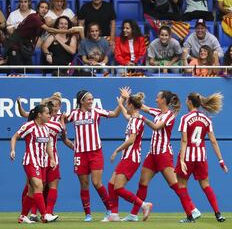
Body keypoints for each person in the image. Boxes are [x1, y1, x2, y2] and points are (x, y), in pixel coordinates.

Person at [122, 90, 200, 222]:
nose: (156, 99)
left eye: (158, 97)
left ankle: (191, 211)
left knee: (174, 184)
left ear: (164, 100)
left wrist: (142, 118)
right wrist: (128, 97)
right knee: (142, 183)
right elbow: (142, 107)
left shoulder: (169, 115)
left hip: (163, 154)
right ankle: (133, 214)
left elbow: (157, 127)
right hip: (152, 154)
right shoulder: (157, 112)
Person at [65, 89, 125, 222]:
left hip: (95, 152)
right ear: (81, 101)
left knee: (97, 182)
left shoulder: (96, 111)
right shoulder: (74, 114)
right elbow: (61, 121)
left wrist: (122, 101)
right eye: (89, 99)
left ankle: (110, 210)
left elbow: (115, 114)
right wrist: (65, 138)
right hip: (80, 153)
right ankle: (88, 214)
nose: (91, 101)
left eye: (92, 99)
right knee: (84, 184)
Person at [17, 92, 74, 221]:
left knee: (48, 186)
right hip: (36, 157)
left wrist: (75, 146)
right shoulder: (40, 117)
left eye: (58, 104)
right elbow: (25, 114)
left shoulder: (60, 119)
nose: (55, 107)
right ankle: (32, 214)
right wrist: (19, 105)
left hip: (51, 156)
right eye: (53, 104)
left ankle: (47, 213)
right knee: (33, 186)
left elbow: (65, 137)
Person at [176, 92, 228, 223]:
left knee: (182, 185)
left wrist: (182, 160)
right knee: (206, 185)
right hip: (201, 157)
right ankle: (218, 214)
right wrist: (221, 161)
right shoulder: (207, 119)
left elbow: (184, 141)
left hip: (188, 157)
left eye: (186, 100)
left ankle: (190, 217)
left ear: (189, 102)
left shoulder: (185, 118)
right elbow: (213, 141)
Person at [10, 104, 59, 224]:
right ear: (39, 115)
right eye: (47, 113)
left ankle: (23, 216)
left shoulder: (46, 128)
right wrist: (13, 150)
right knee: (39, 187)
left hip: (42, 162)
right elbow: (15, 136)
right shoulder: (29, 126)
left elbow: (48, 145)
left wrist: (52, 159)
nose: (49, 115)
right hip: (30, 161)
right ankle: (44, 215)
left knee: (32, 191)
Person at [108, 92, 153, 221]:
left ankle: (144, 205)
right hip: (128, 157)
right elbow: (126, 115)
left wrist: (116, 150)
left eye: (128, 105)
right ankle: (114, 214)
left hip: (131, 158)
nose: (127, 107)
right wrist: (121, 104)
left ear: (131, 105)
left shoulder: (135, 121)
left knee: (118, 188)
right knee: (111, 184)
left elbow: (131, 140)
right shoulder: (135, 118)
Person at [6, 0, 75, 68]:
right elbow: (49, 29)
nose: (44, 10)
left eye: (46, 8)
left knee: (29, 71)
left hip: (25, 46)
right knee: (17, 70)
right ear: (38, 8)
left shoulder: (42, 20)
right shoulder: (34, 17)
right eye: (42, 7)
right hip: (15, 43)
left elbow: (48, 32)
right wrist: (67, 31)